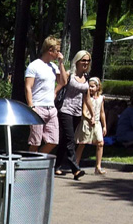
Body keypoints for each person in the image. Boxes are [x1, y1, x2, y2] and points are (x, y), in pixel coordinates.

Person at [25, 35, 67, 154]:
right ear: (50, 50)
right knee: (35, 142)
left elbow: (63, 82)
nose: (59, 53)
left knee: (53, 141)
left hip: (51, 108)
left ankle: (38, 161)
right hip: (38, 107)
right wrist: (31, 106)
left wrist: (61, 64)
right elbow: (28, 87)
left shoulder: (54, 67)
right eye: (57, 51)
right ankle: (30, 165)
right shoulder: (34, 66)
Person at [55, 50, 91, 180]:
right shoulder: (70, 75)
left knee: (65, 140)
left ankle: (56, 165)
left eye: (87, 60)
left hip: (76, 112)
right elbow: (62, 82)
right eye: (83, 60)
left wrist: (91, 114)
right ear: (77, 61)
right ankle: (75, 169)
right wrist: (61, 63)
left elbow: (87, 98)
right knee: (70, 139)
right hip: (65, 109)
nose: (86, 63)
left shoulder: (86, 77)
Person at [74, 77, 106, 175]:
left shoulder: (101, 98)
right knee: (82, 144)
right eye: (89, 87)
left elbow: (102, 112)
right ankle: (75, 166)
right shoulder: (87, 98)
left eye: (92, 87)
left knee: (100, 143)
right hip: (87, 122)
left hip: (96, 123)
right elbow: (83, 111)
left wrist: (104, 126)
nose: (90, 89)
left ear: (98, 87)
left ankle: (98, 166)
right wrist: (88, 119)